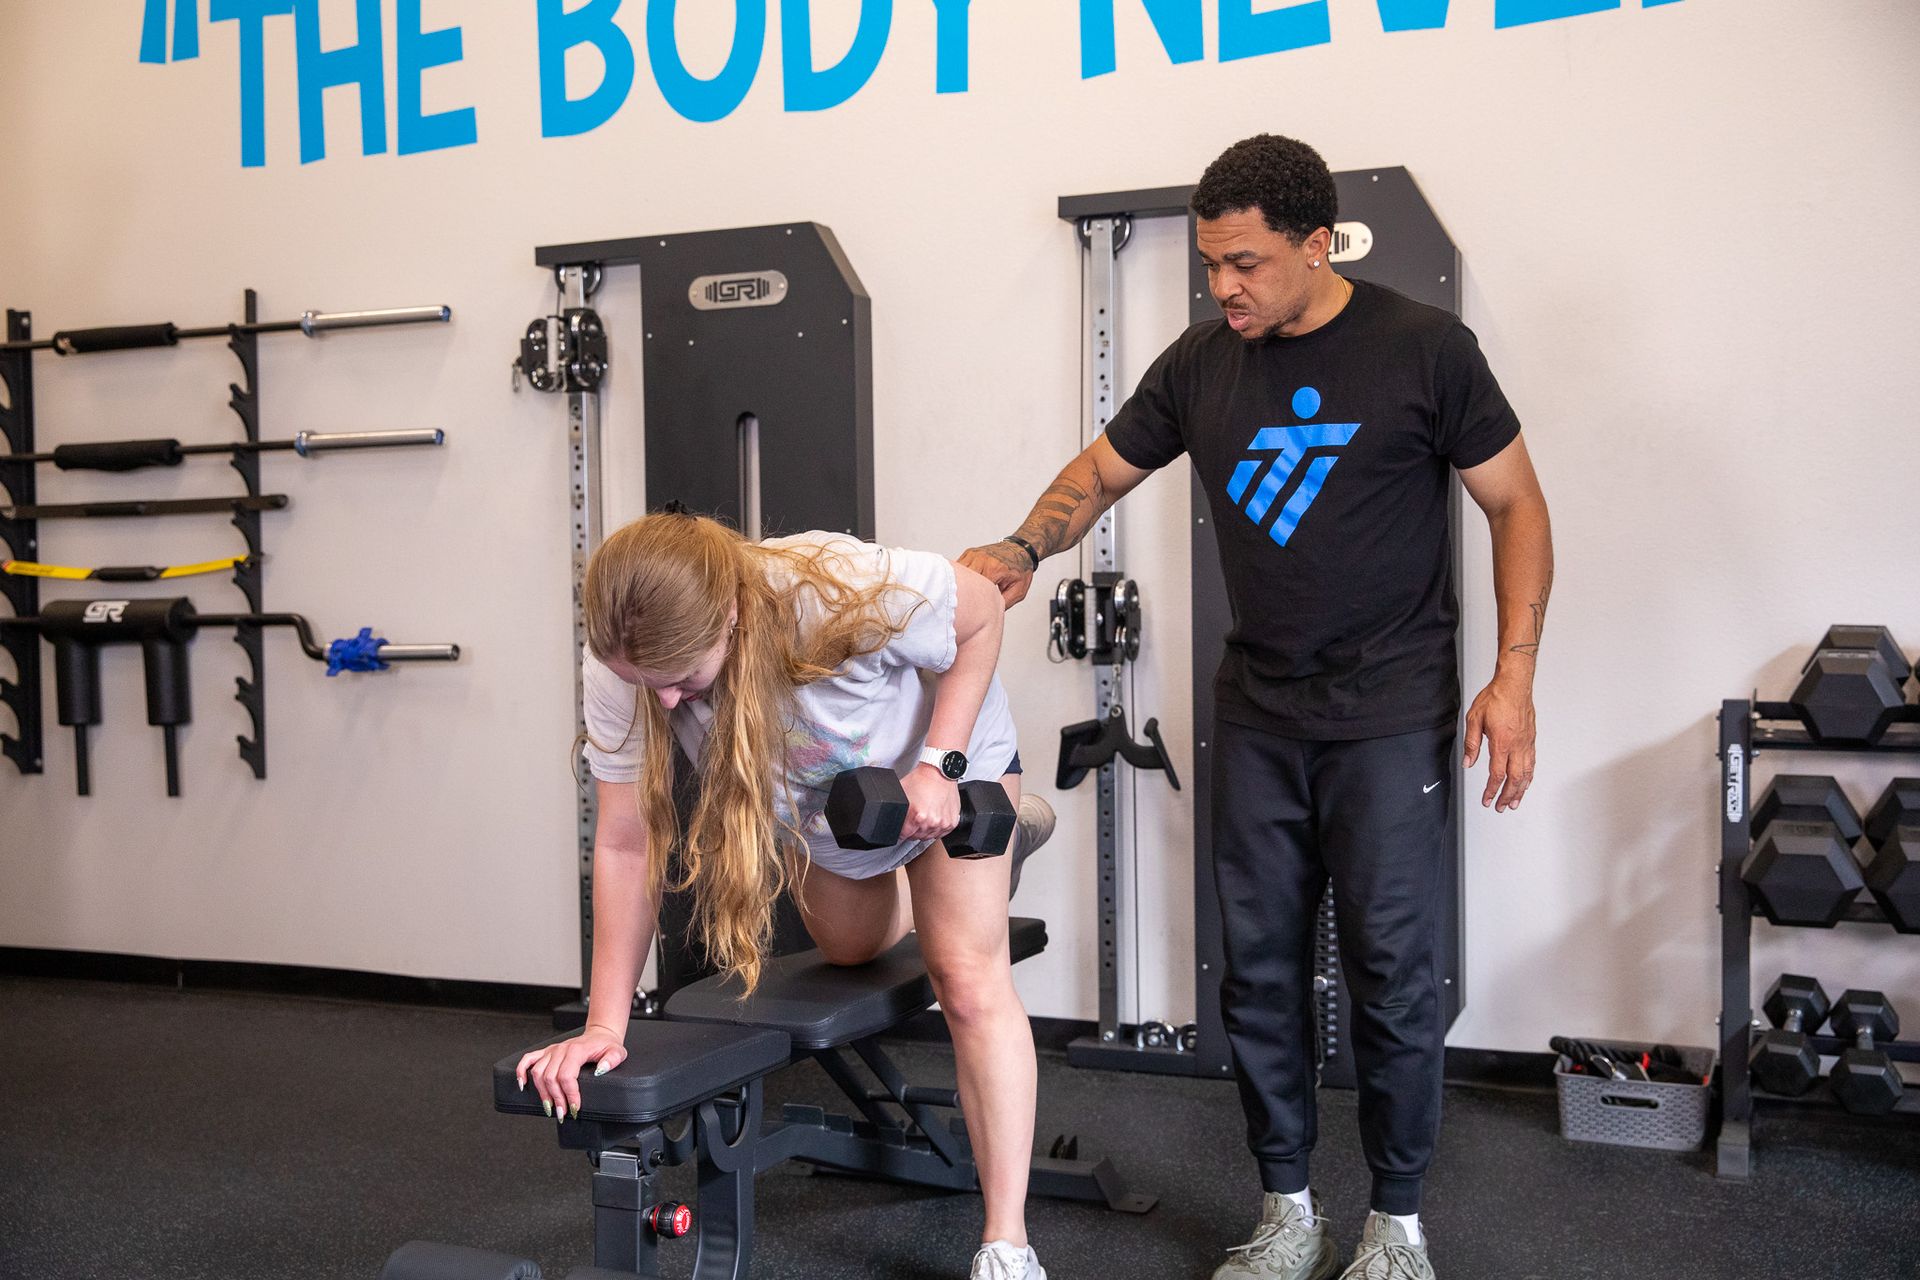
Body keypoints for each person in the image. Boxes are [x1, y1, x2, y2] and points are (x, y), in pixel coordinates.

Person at [962, 134, 1554, 1280]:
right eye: (1210, 264)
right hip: (1263, 714)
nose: (1224, 285)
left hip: (1389, 714)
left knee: (1391, 963)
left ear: (1315, 245)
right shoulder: (1200, 364)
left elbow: (1518, 506)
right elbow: (1099, 471)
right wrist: (1025, 542)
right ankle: (1287, 1205)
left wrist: (1514, 674)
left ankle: (1397, 1221)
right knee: (1261, 970)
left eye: (1246, 262)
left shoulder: (1425, 349)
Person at [518, 511, 1057, 1280]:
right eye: (650, 684)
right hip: (826, 806)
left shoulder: (832, 586)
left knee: (965, 978)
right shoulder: (625, 665)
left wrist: (939, 763)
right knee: (850, 949)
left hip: (951, 774)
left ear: (730, 617)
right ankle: (983, 872)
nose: (667, 704)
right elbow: (626, 839)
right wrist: (606, 1021)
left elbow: (980, 615)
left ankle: (1007, 1241)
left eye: (682, 679)